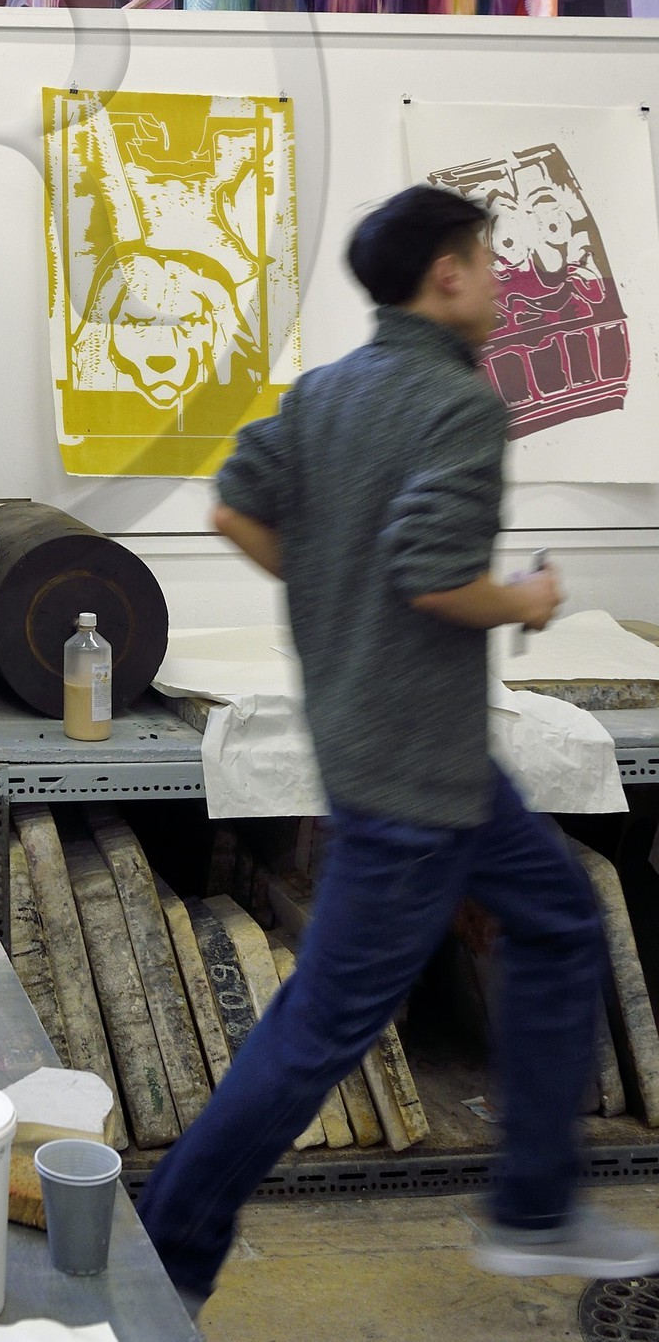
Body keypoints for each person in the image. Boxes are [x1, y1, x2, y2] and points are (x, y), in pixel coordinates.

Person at [137, 184, 659, 1322]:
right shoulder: (456, 403)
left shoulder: (326, 390)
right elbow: (429, 574)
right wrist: (524, 593)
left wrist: (330, 597)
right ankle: (165, 1249)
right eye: (488, 258)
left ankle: (531, 1201)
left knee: (559, 916)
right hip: (418, 773)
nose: (503, 280)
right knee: (322, 1023)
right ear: (448, 274)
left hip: (407, 754)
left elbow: (235, 505)